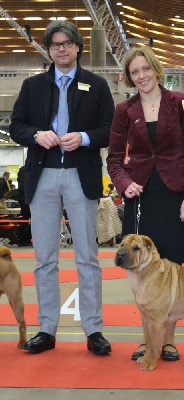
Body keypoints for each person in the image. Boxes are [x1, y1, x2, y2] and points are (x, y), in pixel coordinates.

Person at [9, 21, 115, 355]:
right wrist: (36, 135)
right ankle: (47, 329)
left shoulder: (97, 85)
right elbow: (16, 126)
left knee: (88, 257)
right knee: (44, 260)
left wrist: (84, 138)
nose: (61, 49)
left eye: (67, 43)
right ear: (49, 50)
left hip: (80, 176)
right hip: (42, 177)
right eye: (55, 45)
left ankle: (93, 329)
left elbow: (110, 130)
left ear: (78, 47)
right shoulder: (32, 86)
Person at [107, 46, 184, 361]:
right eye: (135, 72)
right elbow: (113, 159)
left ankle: (168, 341)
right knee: (142, 273)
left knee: (172, 265)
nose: (142, 76)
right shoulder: (124, 110)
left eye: (145, 69)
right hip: (141, 197)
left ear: (156, 69)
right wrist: (123, 184)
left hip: (176, 195)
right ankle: (148, 340)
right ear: (129, 77)